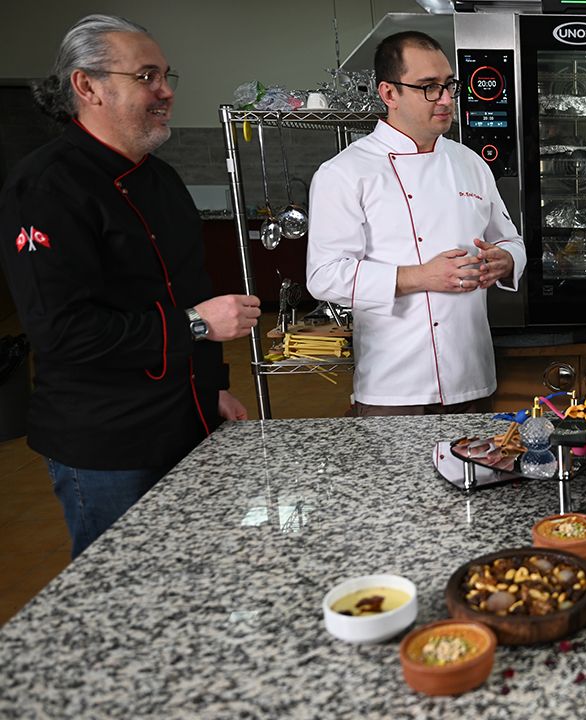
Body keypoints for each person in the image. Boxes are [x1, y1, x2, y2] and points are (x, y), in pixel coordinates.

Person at [0, 15, 261, 557]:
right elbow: (64, 333)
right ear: (87, 85)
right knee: (122, 581)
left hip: (186, 420)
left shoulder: (160, 178)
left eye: (165, 75)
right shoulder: (45, 186)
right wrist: (197, 324)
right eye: (146, 76)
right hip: (108, 444)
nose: (165, 91)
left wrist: (208, 389)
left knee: (193, 568)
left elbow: (185, 289)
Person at [307, 31, 525, 416]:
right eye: (428, 87)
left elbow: (511, 241)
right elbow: (324, 276)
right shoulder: (345, 172)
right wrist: (421, 276)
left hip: (472, 375)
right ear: (389, 93)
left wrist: (505, 260)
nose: (445, 99)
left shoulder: (470, 163)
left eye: (449, 85)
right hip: (394, 387)